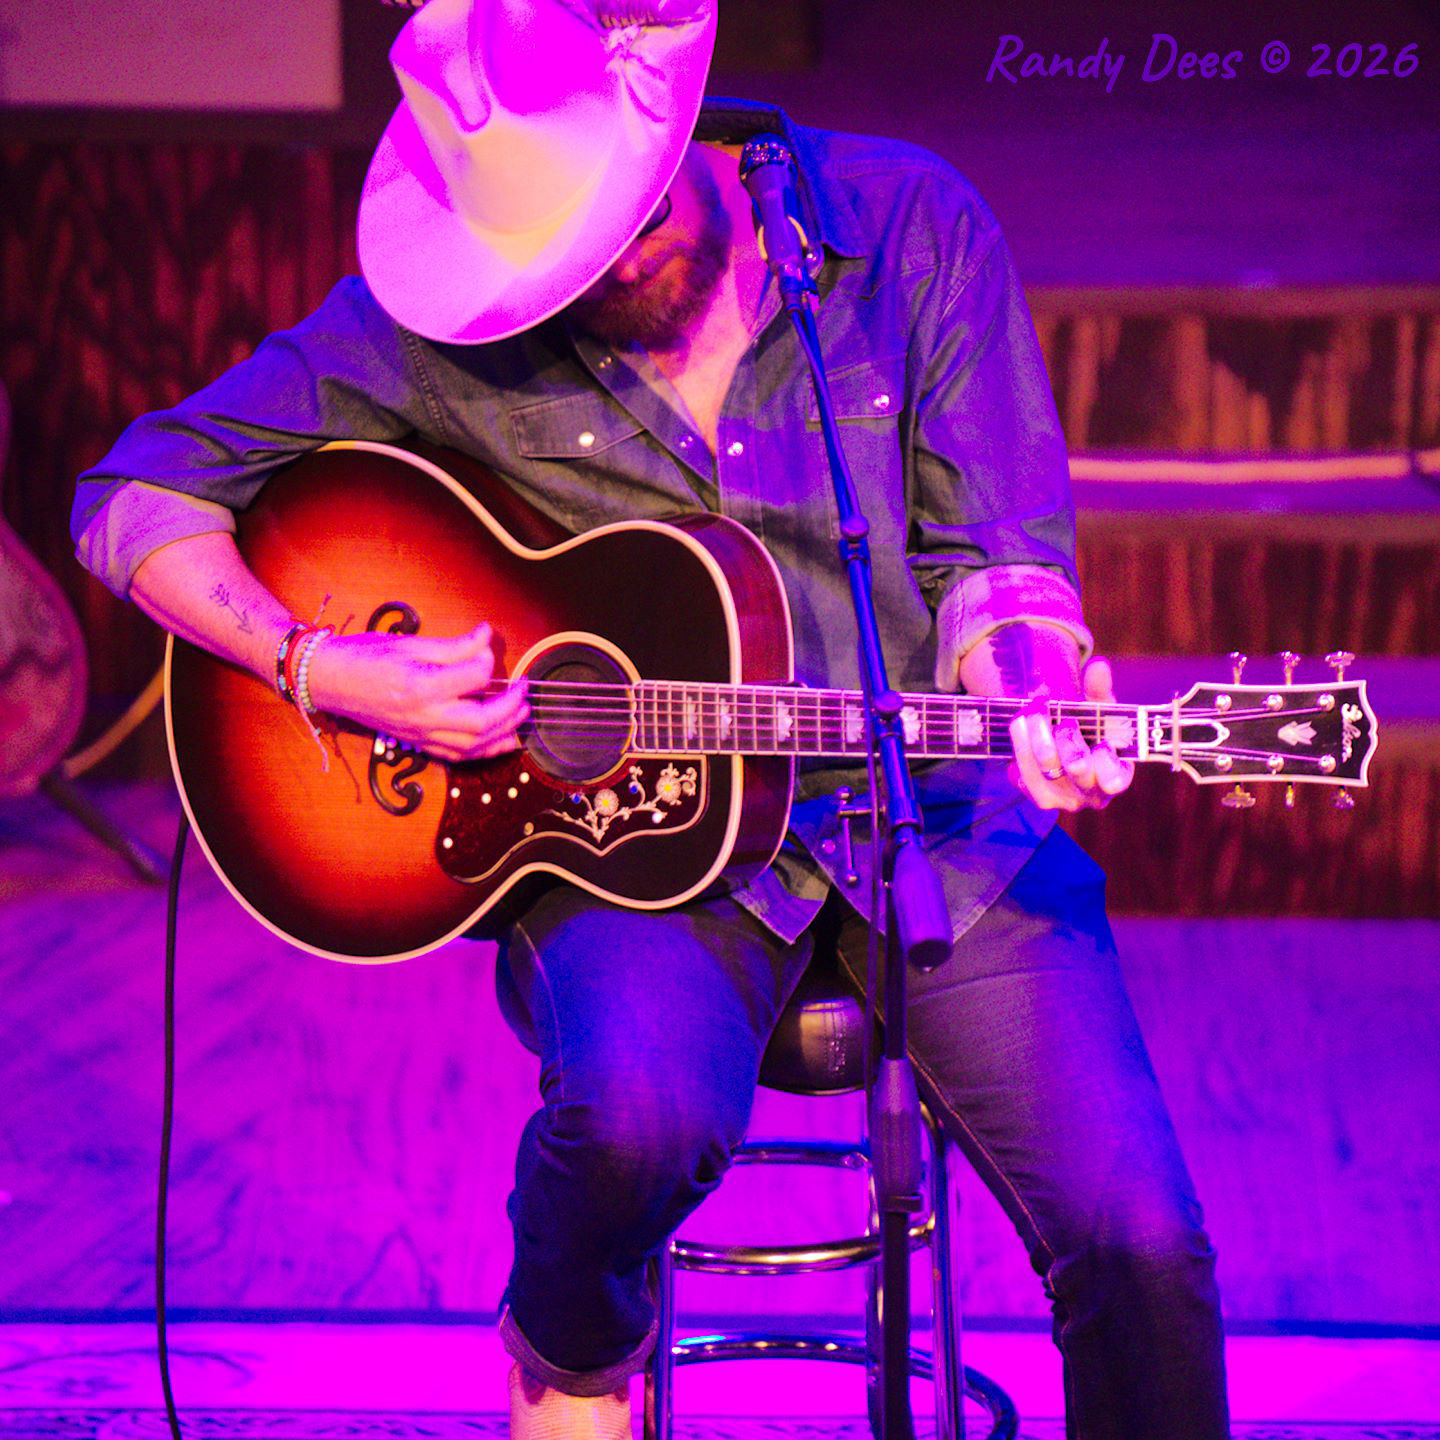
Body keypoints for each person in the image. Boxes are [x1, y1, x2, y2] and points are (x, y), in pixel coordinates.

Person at [71, 1, 1229, 1435]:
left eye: (619, 227)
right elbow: (130, 499)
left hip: (934, 824)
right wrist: (317, 662)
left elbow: (1000, 567)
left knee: (1142, 1240)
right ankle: (567, 1362)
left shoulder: (908, 227)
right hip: (637, 855)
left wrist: (1033, 677)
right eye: (553, 266)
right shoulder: (443, 323)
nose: (602, 274)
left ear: (670, 135)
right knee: (634, 1117)